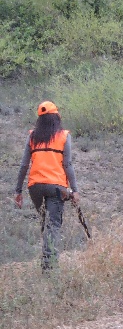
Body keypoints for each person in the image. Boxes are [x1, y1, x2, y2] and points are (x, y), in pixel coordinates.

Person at [14, 101, 80, 271]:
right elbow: (68, 165)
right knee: (53, 225)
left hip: (34, 187)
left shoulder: (32, 136)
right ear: (57, 117)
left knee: (46, 223)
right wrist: (75, 190)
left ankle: (47, 261)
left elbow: (23, 165)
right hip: (57, 187)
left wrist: (18, 191)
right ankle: (49, 268)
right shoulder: (64, 136)